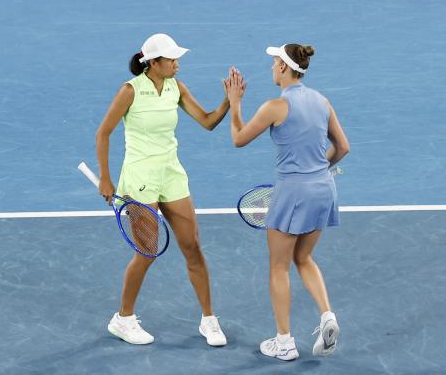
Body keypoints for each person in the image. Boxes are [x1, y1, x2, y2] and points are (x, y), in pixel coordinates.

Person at [95, 33, 234, 347]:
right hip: (140, 179)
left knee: (192, 247)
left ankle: (209, 320)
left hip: (172, 175)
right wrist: (106, 178)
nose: (177, 64)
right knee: (147, 253)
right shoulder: (129, 92)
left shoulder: (176, 87)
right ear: (153, 63)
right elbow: (103, 133)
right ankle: (123, 319)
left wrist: (229, 101)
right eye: (171, 59)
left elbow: (208, 121)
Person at [224, 43, 350, 360]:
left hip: (292, 193)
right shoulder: (322, 101)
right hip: (324, 189)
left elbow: (238, 139)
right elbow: (343, 147)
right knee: (304, 258)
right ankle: (327, 316)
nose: (270, 68)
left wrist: (234, 103)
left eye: (273, 63)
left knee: (278, 267)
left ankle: (284, 342)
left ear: (283, 67)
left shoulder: (273, 107)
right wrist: (319, 170)